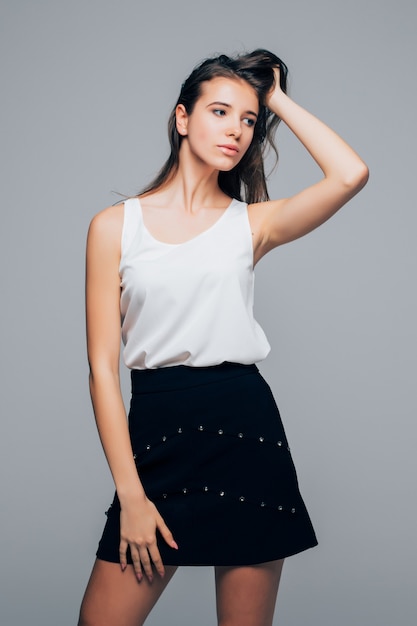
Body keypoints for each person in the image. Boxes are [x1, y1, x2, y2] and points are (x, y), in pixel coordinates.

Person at [78, 49, 368, 626]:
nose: (236, 130)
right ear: (182, 118)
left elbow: (350, 174)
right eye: (220, 111)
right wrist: (131, 495)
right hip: (158, 436)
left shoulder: (251, 224)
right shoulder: (115, 227)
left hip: (245, 434)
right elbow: (101, 370)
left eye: (249, 119)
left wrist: (277, 97)